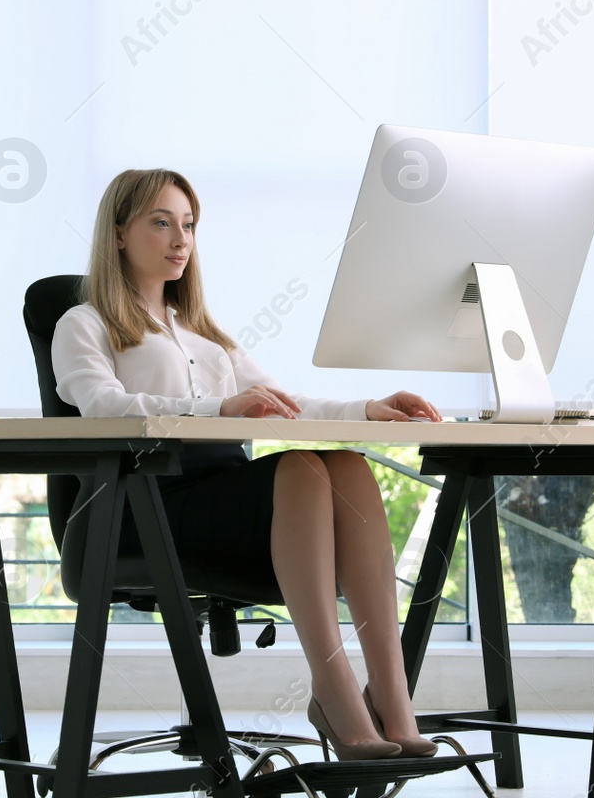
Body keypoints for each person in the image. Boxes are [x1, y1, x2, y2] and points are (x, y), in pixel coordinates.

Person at [51, 167, 441, 760]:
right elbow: (103, 406)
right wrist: (219, 407)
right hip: (145, 505)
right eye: (161, 223)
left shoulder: (207, 337)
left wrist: (370, 407)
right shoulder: (84, 324)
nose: (180, 239)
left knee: (350, 469)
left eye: (188, 225)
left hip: (225, 502)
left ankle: (391, 697)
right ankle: (334, 692)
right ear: (119, 233)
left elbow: (289, 404)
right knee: (303, 470)